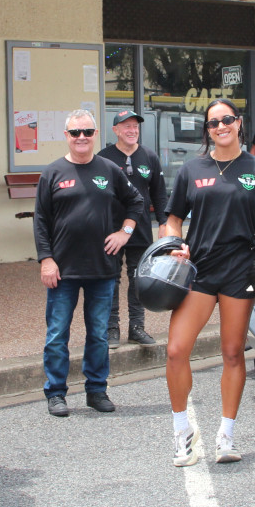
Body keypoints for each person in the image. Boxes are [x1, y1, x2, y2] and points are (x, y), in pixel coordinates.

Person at [162, 99, 255, 466]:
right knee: (175, 350)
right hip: (199, 270)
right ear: (207, 129)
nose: (221, 127)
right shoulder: (192, 169)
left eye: (227, 120)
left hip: (240, 270)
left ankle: (226, 436)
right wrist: (174, 244)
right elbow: (172, 219)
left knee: (232, 353)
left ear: (239, 123)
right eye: (214, 123)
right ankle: (182, 431)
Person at [34, 109, 144, 418]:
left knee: (98, 333)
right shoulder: (52, 173)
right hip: (62, 270)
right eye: (75, 133)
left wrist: (125, 232)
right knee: (57, 334)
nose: (81, 138)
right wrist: (46, 260)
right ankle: (56, 393)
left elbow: (136, 202)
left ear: (95, 135)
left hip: (102, 268)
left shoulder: (109, 169)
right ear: (66, 136)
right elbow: (41, 222)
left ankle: (97, 390)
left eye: (87, 132)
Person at [96, 109, 168, 347]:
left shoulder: (149, 156)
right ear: (115, 130)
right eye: (126, 126)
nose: (131, 130)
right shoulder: (103, 158)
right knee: (111, 279)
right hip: (111, 230)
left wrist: (164, 223)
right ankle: (111, 328)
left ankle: (137, 327)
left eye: (135, 126)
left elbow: (159, 193)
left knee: (139, 278)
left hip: (140, 229)